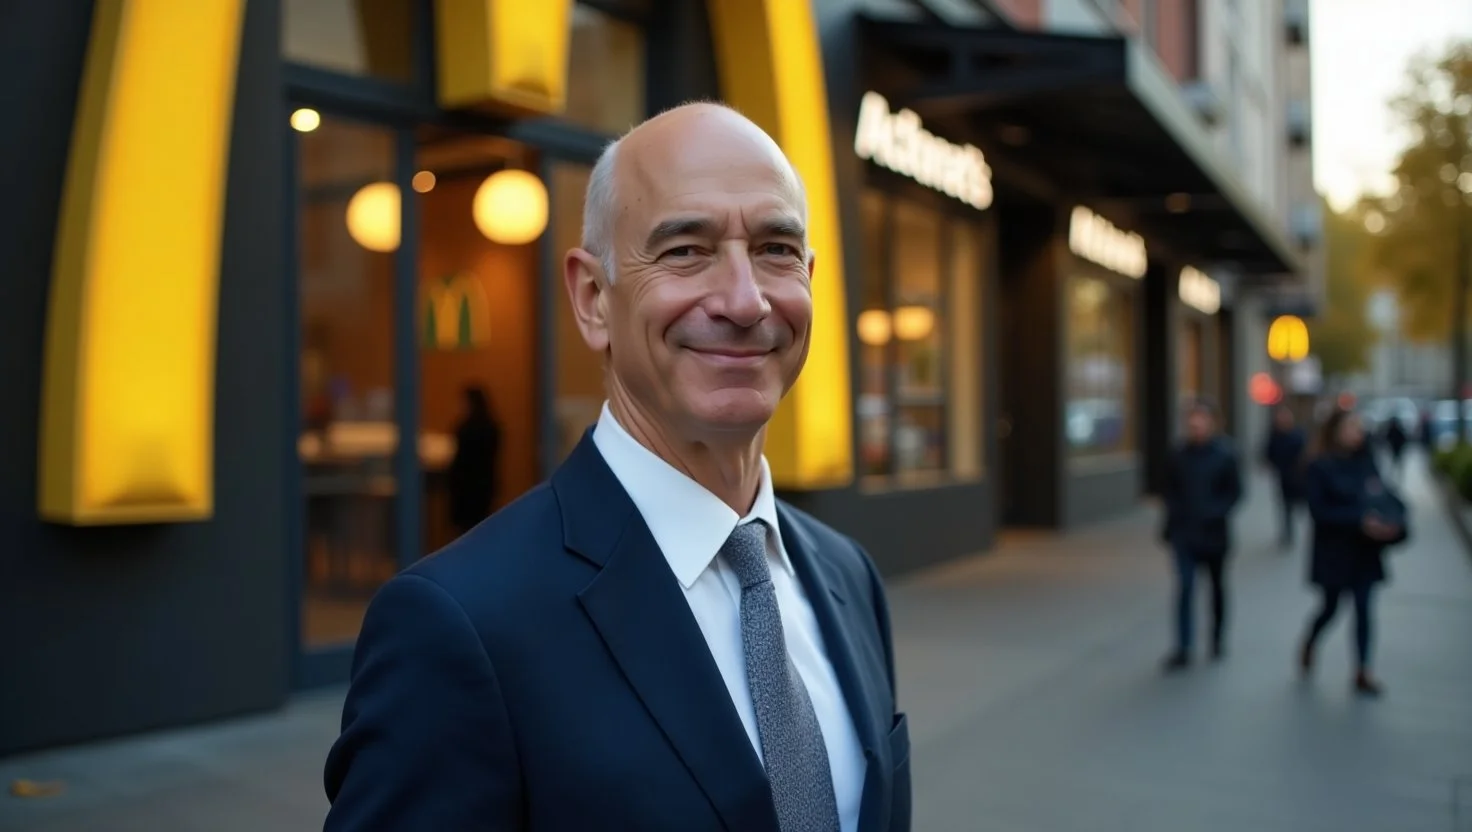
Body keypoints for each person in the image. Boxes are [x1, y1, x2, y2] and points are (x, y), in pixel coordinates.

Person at [323, 103, 909, 832]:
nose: (744, 300)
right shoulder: (459, 625)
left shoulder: (847, 576)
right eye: (685, 250)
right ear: (593, 299)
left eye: (776, 249)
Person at [1299, 408, 1408, 698]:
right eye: (1350, 427)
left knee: (1364, 608)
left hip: (1365, 551)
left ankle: (1362, 670)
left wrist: (1392, 522)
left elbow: (1385, 496)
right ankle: (1310, 641)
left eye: (1358, 427)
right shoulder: (1320, 466)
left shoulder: (1367, 462)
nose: (1356, 433)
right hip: (1335, 551)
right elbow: (1318, 511)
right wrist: (1359, 520)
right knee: (1330, 608)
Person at [1160, 399, 1244, 671]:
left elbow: (1235, 493)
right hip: (1184, 532)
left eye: (1201, 419)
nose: (1196, 425)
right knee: (1185, 587)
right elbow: (1168, 490)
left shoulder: (1225, 454)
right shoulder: (1178, 455)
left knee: (1216, 587)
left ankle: (1217, 637)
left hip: (1214, 534)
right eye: (1192, 420)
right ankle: (1184, 646)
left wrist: (1214, 512)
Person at [446, 385, 502, 536]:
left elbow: (460, 457)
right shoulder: (491, 426)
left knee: (466, 529)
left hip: (467, 486)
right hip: (483, 486)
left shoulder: (467, 428)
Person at [1263, 405, 1308, 548]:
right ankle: (1288, 533)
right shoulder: (1275, 436)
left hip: (1299, 477)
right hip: (1284, 477)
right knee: (1285, 508)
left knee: (1300, 506)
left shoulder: (1298, 434)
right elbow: (1268, 453)